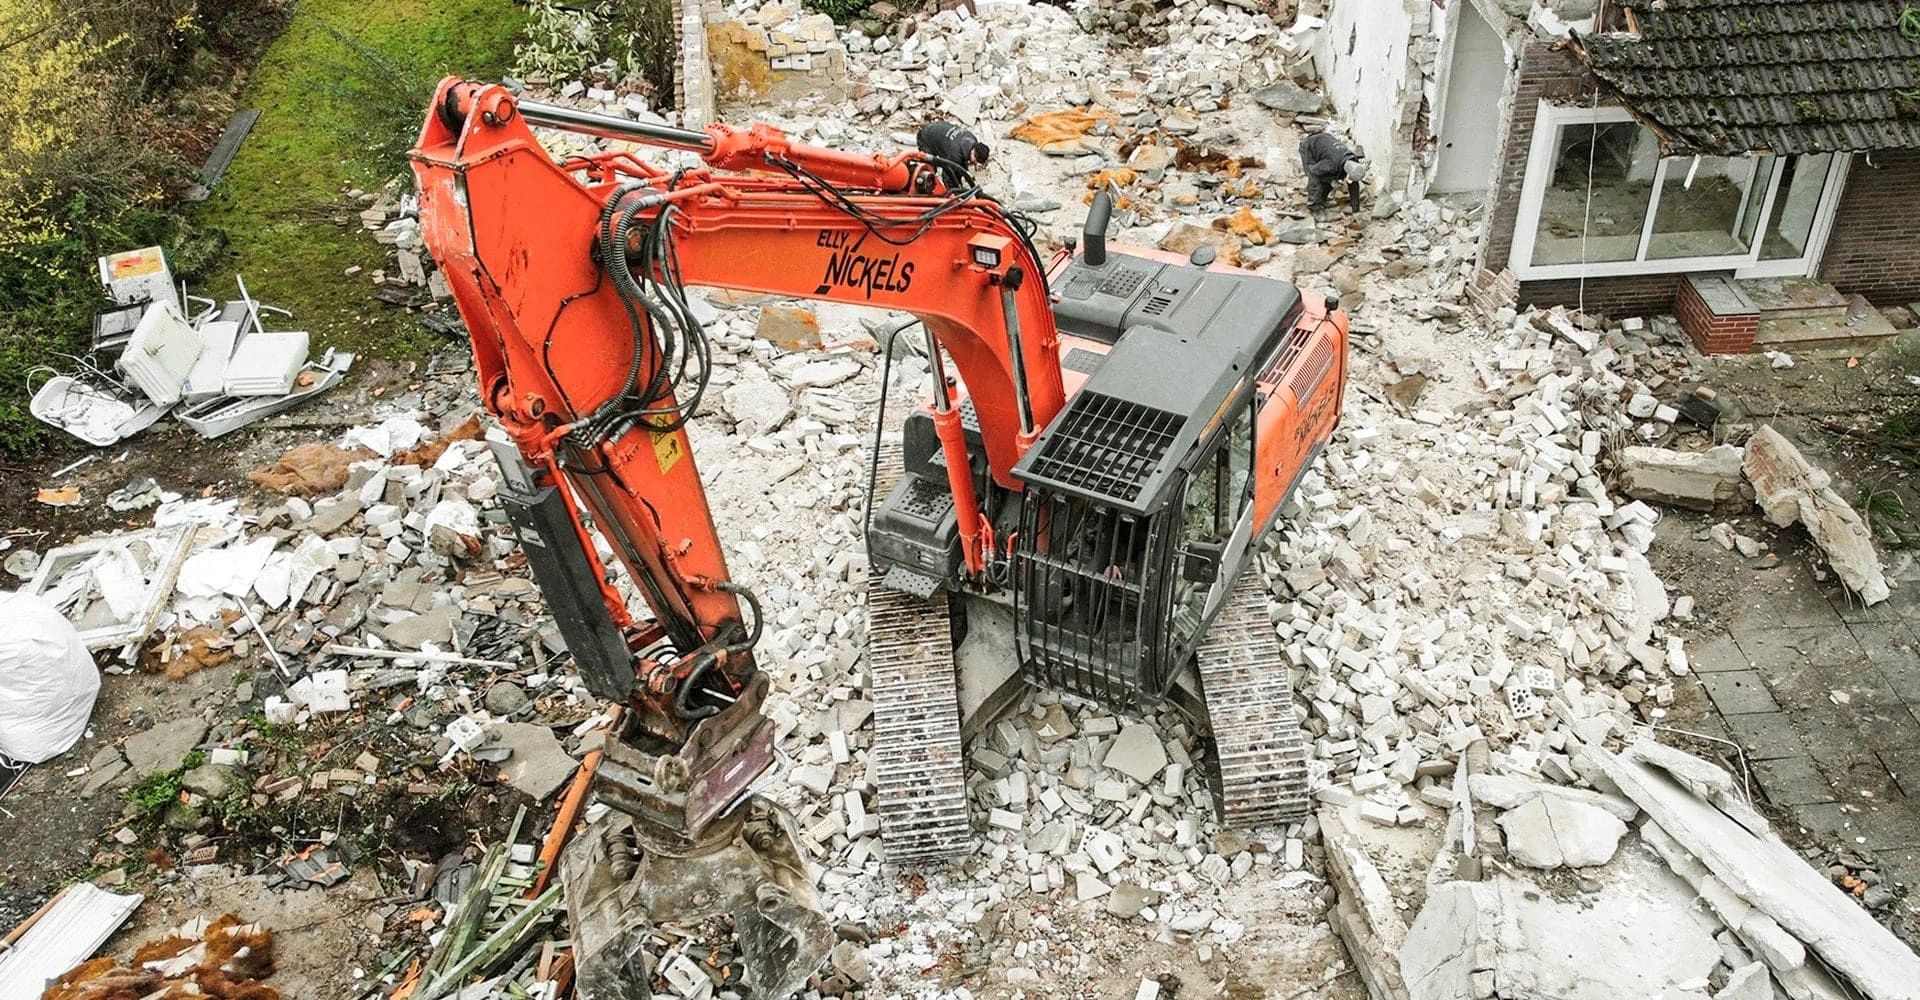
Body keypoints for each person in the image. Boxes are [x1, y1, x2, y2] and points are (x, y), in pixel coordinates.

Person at [1299, 131, 1368, 222]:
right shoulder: (1330, 165)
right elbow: (1314, 173)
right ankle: (1314, 207)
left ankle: (1322, 199)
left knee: (1330, 177)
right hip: (1309, 147)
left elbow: (1353, 185)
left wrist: (1356, 211)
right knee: (1317, 179)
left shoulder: (1353, 161)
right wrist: (1327, 182)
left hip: (1325, 142)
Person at [916, 120, 992, 191]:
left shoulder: (972, 139)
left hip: (938, 130)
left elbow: (959, 167)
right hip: (925, 137)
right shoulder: (955, 154)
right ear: (973, 152)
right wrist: (954, 194)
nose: (975, 163)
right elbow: (947, 176)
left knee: (956, 169)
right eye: (976, 161)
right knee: (930, 171)